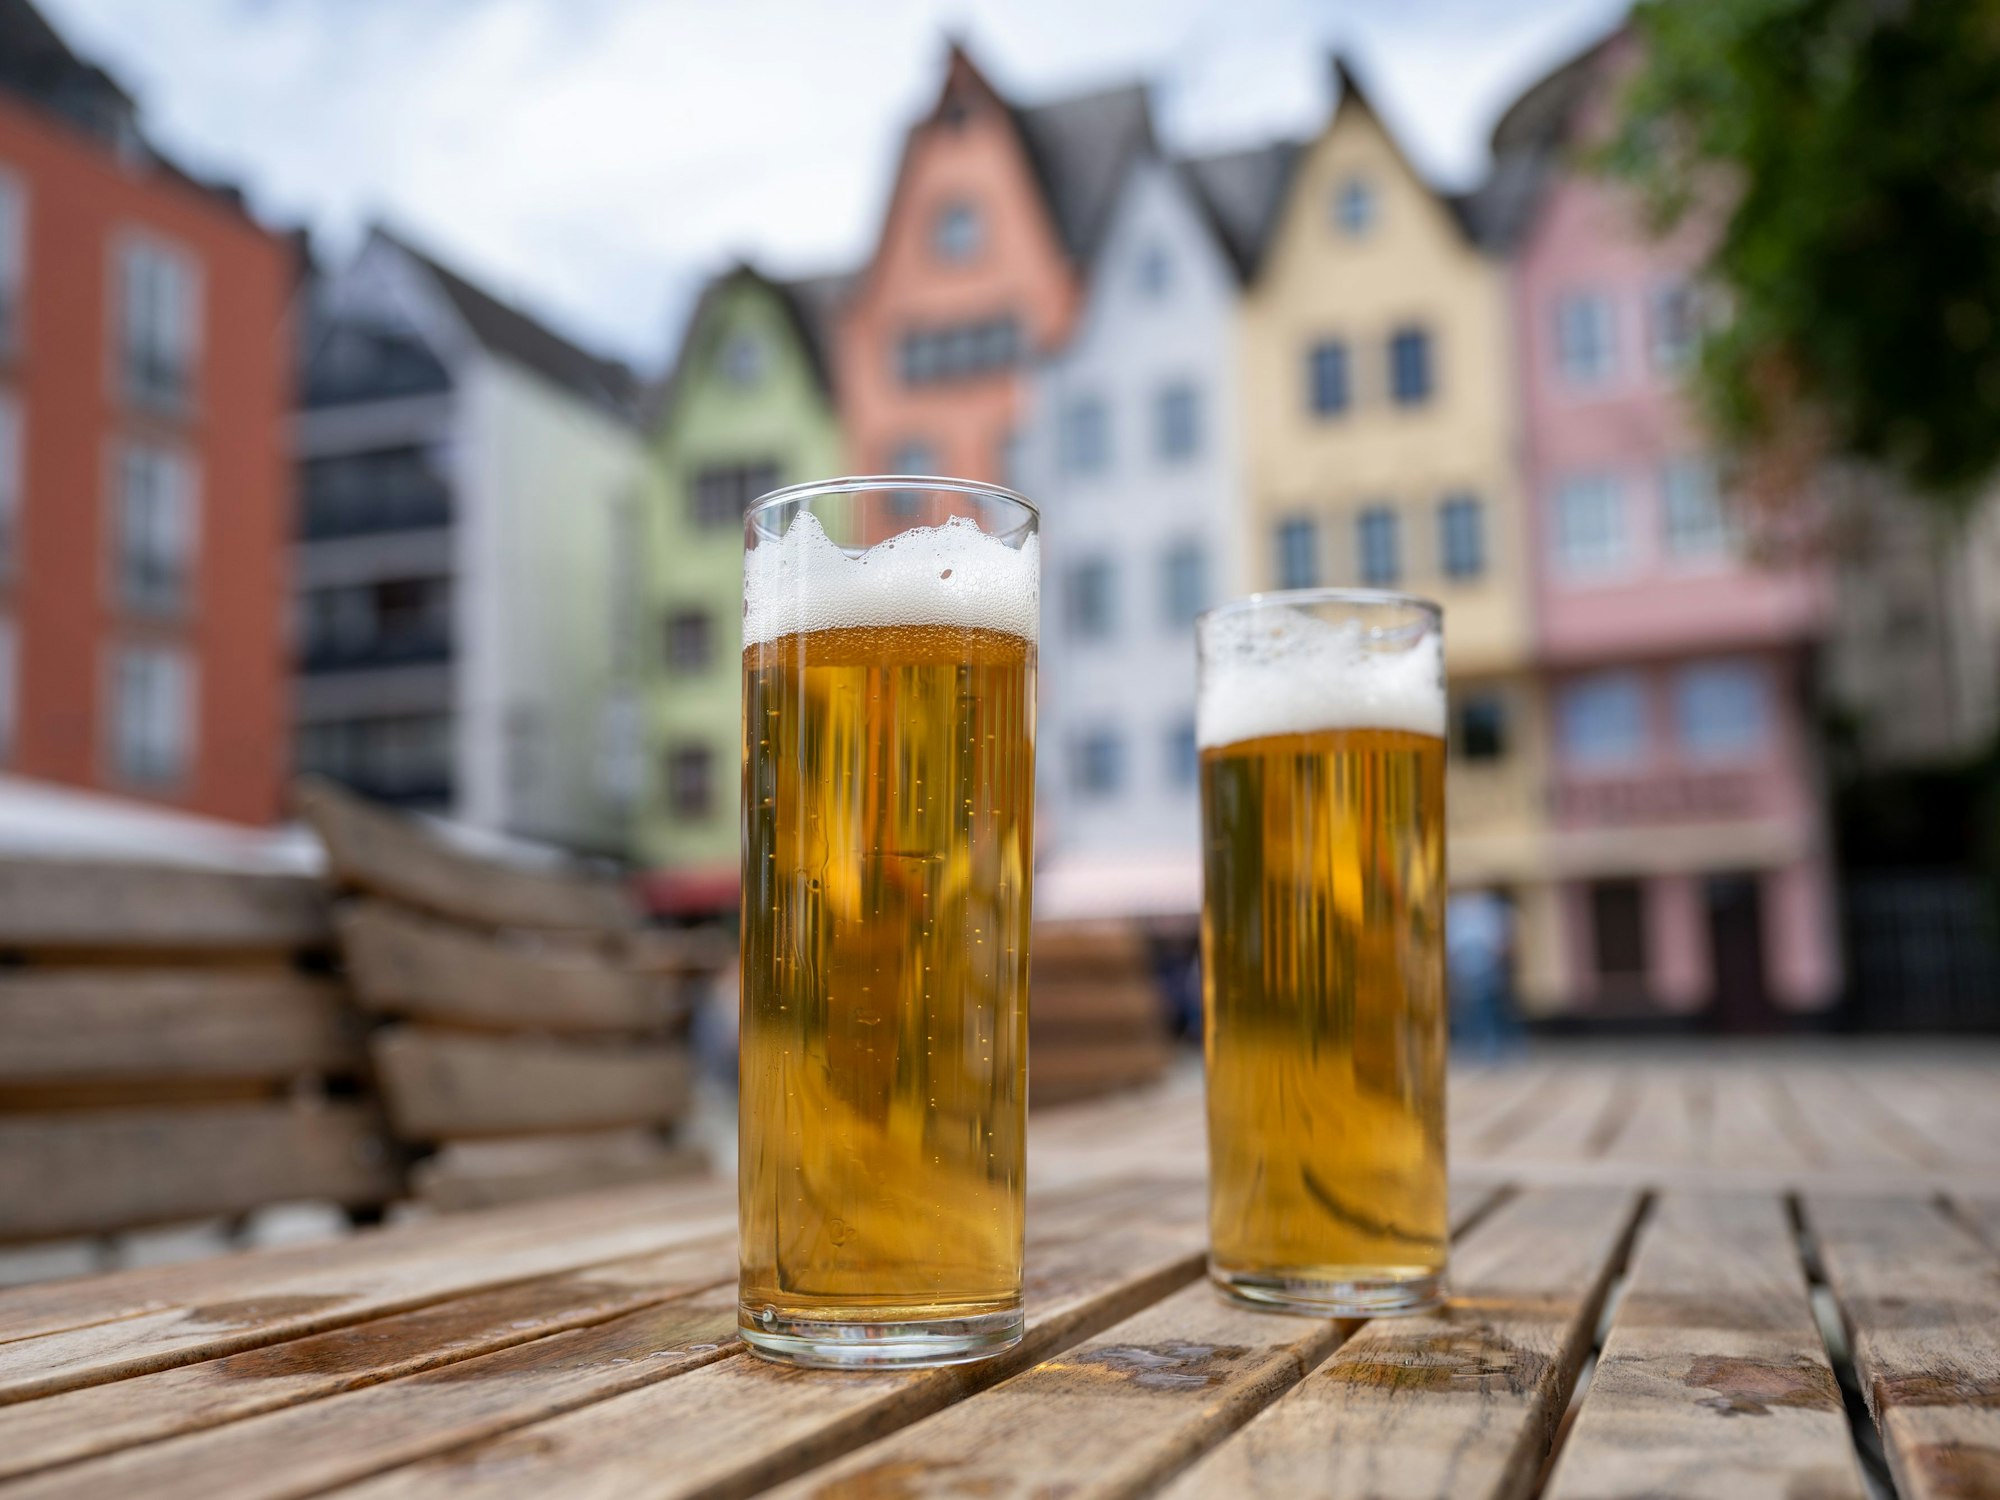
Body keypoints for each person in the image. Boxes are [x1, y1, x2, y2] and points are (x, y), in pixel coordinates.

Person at [1447, 888, 1518, 1059]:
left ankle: (1492, 1047)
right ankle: (1478, 1048)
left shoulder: (1490, 914)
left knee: (1490, 1010)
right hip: (1470, 972)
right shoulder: (1459, 916)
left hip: (1485, 972)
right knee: (1471, 1012)